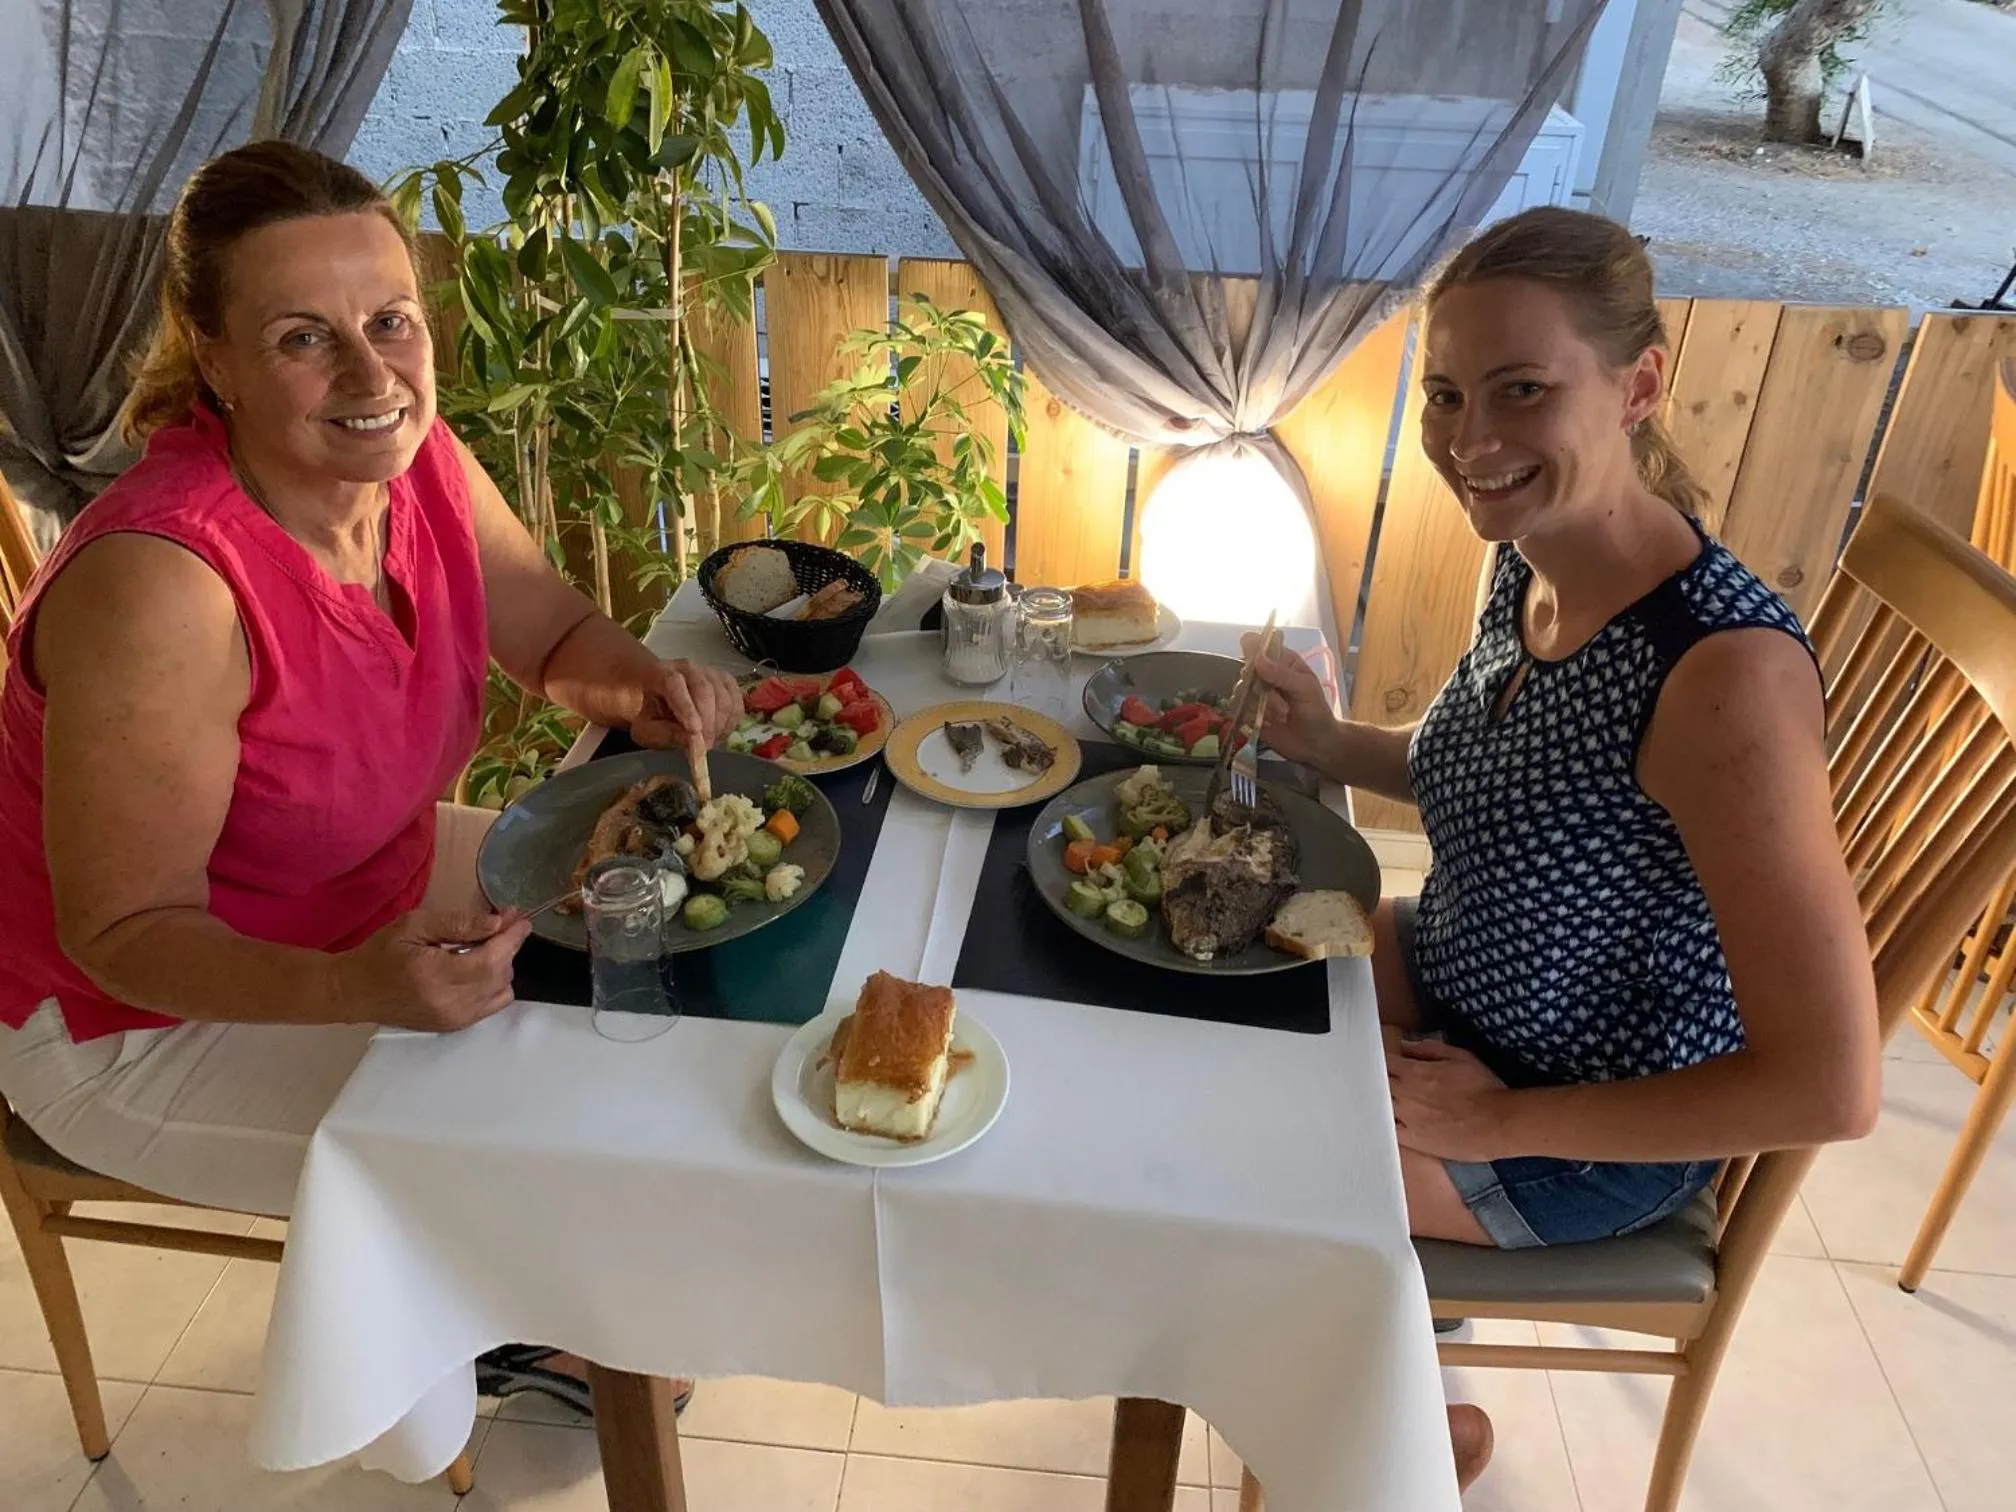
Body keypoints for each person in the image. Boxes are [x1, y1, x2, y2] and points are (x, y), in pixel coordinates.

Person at [0, 144, 739, 1416]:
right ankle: (499, 1320)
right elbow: (118, 931)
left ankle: (524, 1288)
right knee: (554, 1157)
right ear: (214, 357)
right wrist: (354, 988)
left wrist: (646, 684)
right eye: (303, 337)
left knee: (665, 948)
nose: (370, 374)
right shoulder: (163, 588)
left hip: (360, 881)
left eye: (391, 321)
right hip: (128, 1022)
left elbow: (554, 638)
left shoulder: (421, 462)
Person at [1249, 207, 1881, 1492]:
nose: (1470, 442)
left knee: (1233, 1165)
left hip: (1582, 1130)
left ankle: (1409, 1445)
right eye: (1444, 395)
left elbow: (1834, 1084)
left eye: (1522, 391)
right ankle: (1397, 1335)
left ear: (1642, 384)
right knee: (1231, 961)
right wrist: (1330, 739)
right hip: (1456, 986)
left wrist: (1502, 1114)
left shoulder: (1722, 680)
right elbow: (1479, 776)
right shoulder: (1529, 554)